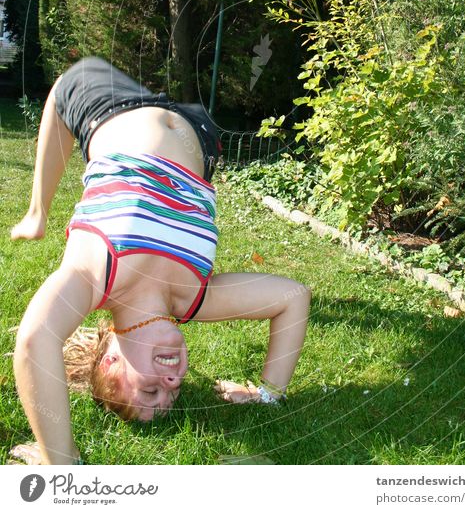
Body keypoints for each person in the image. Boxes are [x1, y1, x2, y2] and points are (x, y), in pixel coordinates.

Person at [9, 57, 311, 465]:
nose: (172, 380)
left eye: (151, 391)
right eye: (175, 392)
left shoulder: (96, 280)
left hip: (110, 115)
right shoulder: (194, 300)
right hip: (197, 134)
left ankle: (36, 212)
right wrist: (267, 395)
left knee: (65, 85)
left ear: (111, 359)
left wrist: (60, 464)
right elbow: (293, 296)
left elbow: (33, 340)